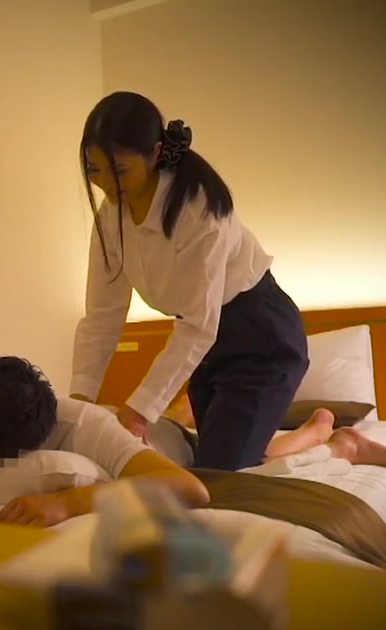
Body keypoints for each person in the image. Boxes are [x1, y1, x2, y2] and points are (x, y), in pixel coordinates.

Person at [0, 357, 386, 528]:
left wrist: (68, 502)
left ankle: (331, 437)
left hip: (171, 448)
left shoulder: (88, 429)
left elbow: (188, 491)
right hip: (143, 426)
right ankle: (187, 410)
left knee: (244, 461)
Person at [70, 91, 309, 472]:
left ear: (155, 153)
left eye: (120, 171)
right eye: (94, 170)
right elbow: (102, 316)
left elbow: (199, 326)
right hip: (205, 344)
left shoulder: (200, 213)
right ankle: (327, 439)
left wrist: (138, 411)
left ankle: (336, 444)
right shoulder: (111, 217)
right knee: (216, 454)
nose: (106, 183)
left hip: (259, 339)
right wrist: (78, 403)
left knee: (216, 475)